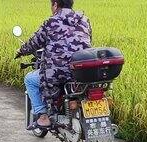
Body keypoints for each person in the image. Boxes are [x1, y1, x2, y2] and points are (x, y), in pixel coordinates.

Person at [15, 0, 92, 129]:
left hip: (58, 73)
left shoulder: (51, 22)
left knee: (30, 79)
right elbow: (88, 41)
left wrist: (21, 51)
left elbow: (34, 43)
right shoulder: (84, 19)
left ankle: (43, 117)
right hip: (81, 71)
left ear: (55, 4)